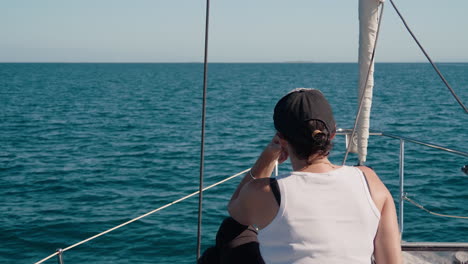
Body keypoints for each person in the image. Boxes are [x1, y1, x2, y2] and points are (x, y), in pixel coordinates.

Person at [199, 88, 402, 264]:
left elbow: (236, 210)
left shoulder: (265, 191)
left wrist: (268, 156)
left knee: (231, 230)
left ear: (281, 139)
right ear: (331, 134)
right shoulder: (370, 180)